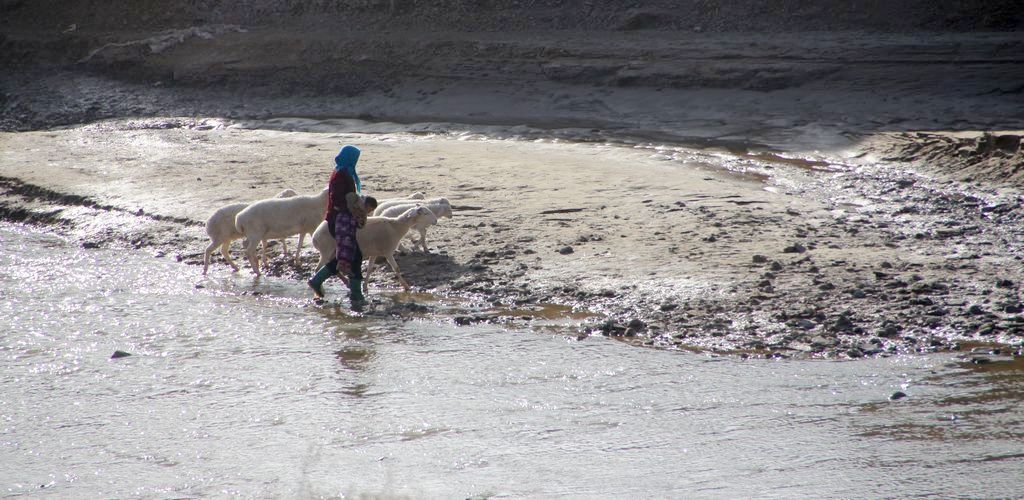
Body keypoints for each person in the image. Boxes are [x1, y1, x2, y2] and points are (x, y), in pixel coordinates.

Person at [307, 145, 377, 306]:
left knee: (349, 255)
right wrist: (353, 210)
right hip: (340, 221)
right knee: (354, 255)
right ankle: (356, 295)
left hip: (339, 219)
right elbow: (338, 199)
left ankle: (319, 281)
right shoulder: (341, 175)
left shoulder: (343, 172)